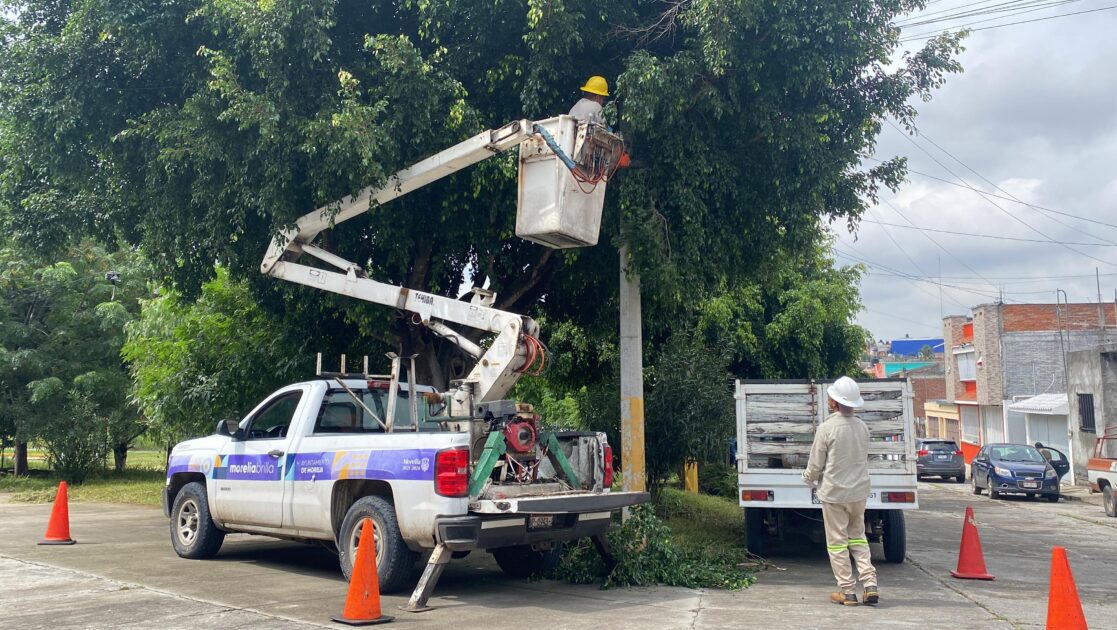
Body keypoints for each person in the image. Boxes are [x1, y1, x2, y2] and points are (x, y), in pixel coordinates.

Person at [802, 376, 879, 607]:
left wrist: (808, 480)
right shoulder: (863, 427)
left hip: (834, 494)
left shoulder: (827, 428)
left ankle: (847, 591)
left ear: (834, 402)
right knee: (858, 537)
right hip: (858, 493)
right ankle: (870, 584)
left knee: (837, 542)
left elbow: (816, 463)